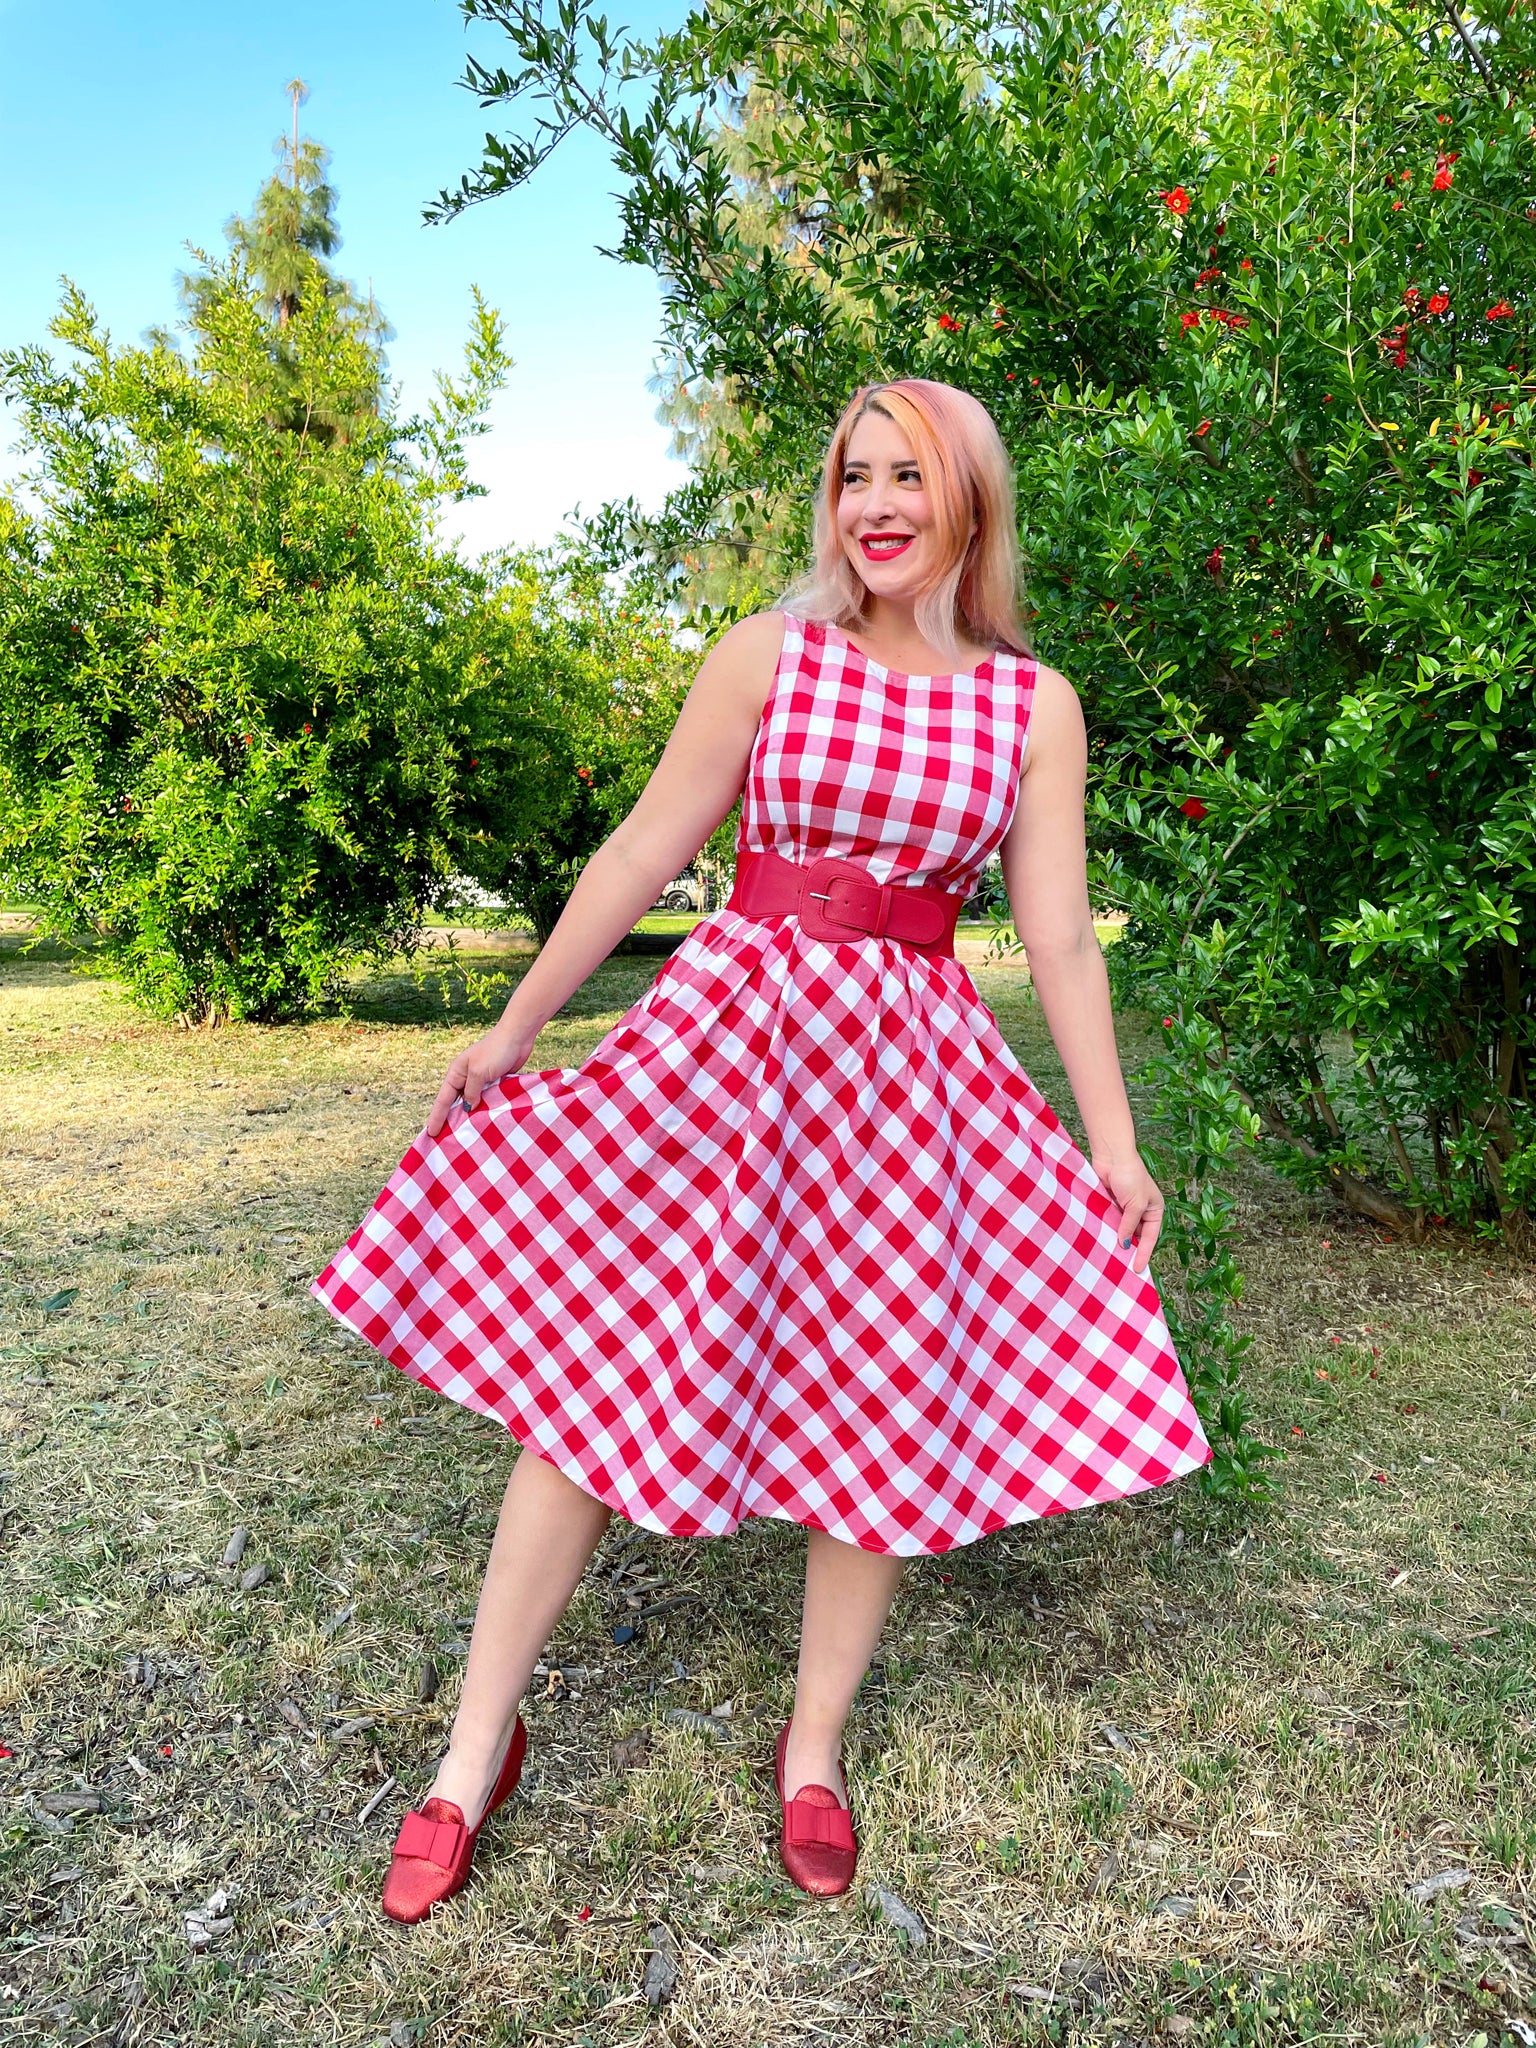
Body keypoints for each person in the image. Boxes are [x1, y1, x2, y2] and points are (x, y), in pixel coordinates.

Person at [312, 377, 1211, 1924]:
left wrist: (1111, 1140)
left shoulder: (1029, 705)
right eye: (855, 476)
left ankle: (812, 1752)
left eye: (908, 477)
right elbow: (648, 845)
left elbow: (1058, 930)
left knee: (872, 1401)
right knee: (597, 1384)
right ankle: (471, 1756)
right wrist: (520, 1024)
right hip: (731, 1048)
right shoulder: (769, 655)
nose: (876, 504)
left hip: (906, 1083)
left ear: (969, 502)